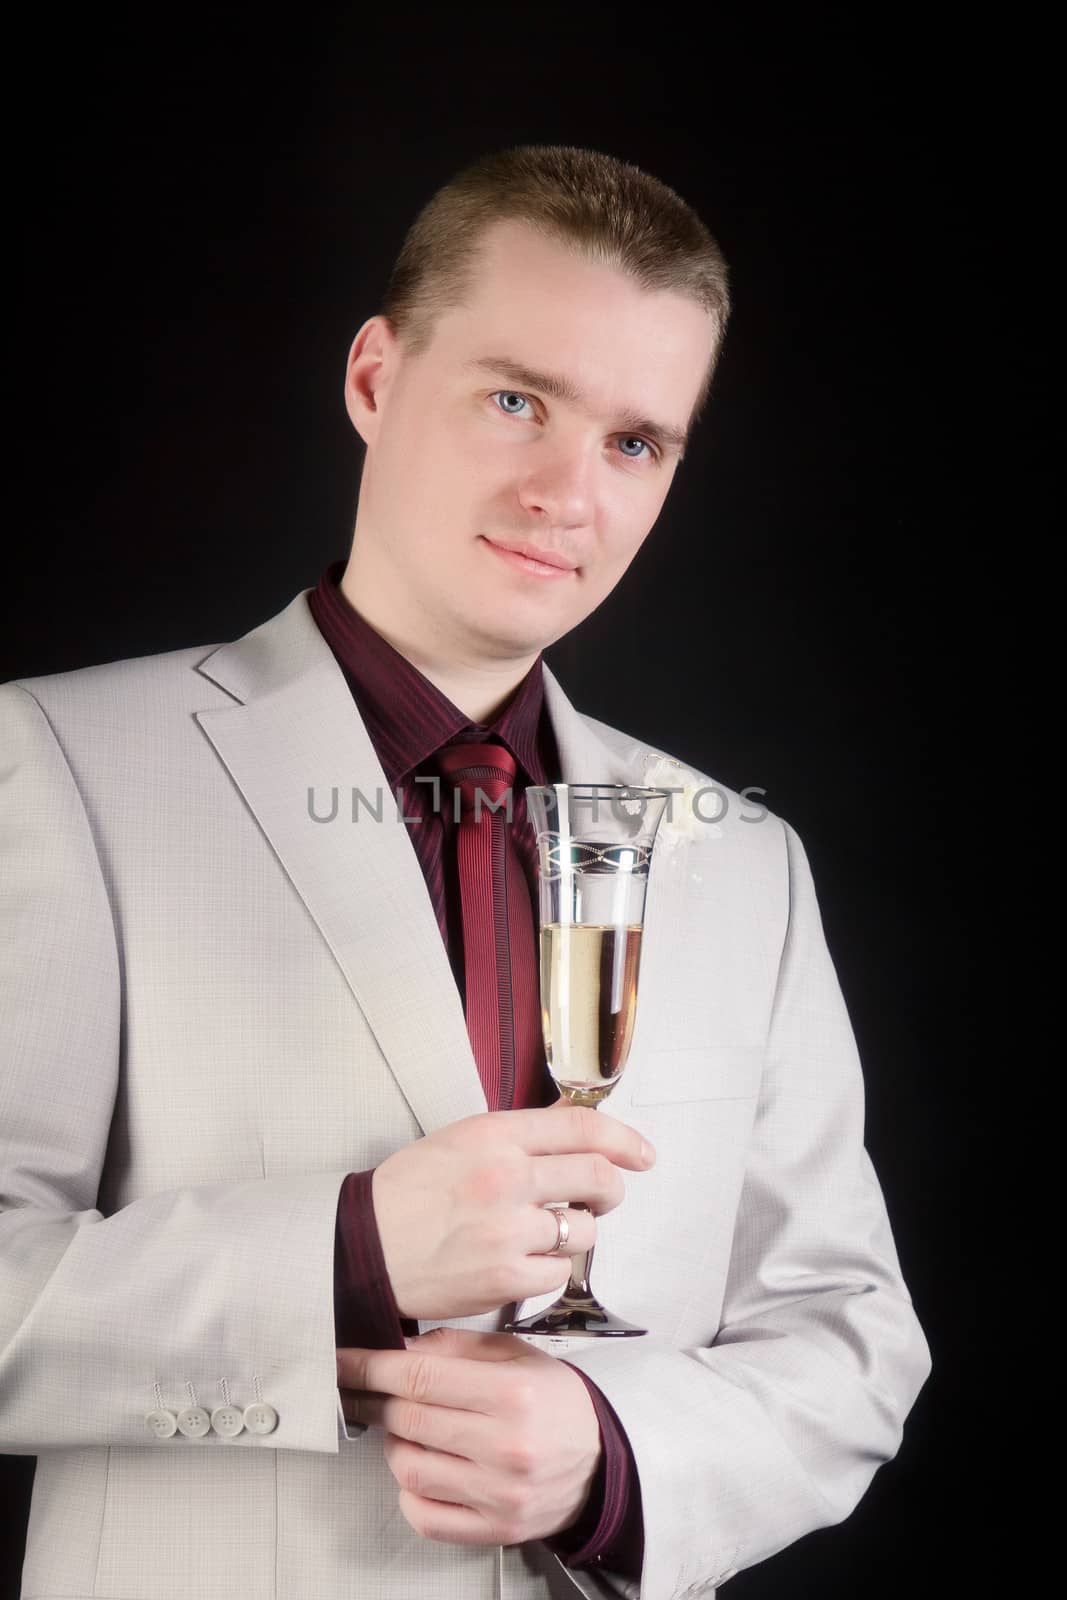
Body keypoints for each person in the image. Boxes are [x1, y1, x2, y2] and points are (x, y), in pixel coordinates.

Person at [0, 144, 930, 1600]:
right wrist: (349, 1249)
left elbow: (849, 1341)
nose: (570, 492)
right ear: (374, 379)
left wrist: (615, 1456)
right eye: (517, 400)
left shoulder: (747, 862)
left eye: (636, 443)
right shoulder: (57, 761)